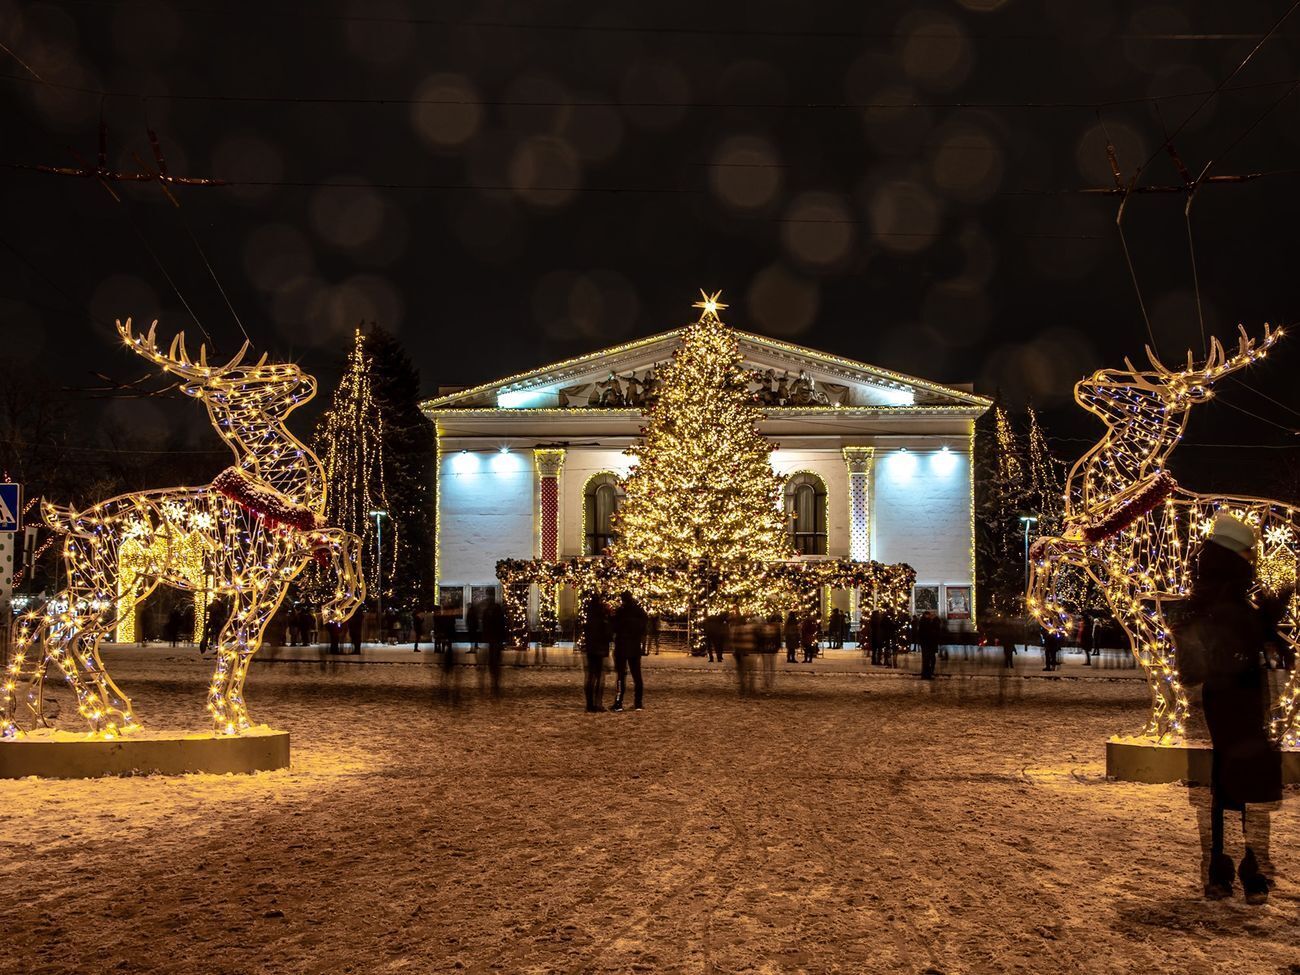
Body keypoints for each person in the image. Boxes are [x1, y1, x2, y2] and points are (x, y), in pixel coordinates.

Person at [1183, 514, 1287, 903]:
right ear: (1233, 554)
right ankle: (1236, 867)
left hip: (1237, 694)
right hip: (1232, 694)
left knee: (1235, 777)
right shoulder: (1222, 597)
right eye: (1247, 553)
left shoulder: (1223, 594)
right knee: (1235, 777)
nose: (1251, 559)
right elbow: (1232, 639)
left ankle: (1228, 866)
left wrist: (1269, 619)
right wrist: (1266, 618)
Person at [611, 591, 648, 711]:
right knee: (637, 676)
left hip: (622, 647)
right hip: (634, 647)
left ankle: (618, 702)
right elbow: (644, 626)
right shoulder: (639, 611)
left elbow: (614, 627)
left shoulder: (621, 612)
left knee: (621, 676)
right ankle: (638, 702)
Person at [582, 594, 611, 712]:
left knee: (590, 676)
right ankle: (597, 703)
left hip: (591, 648)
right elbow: (608, 634)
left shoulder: (589, 618)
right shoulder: (602, 618)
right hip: (600, 649)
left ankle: (589, 704)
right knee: (599, 677)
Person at [480, 597, 507, 699]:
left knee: (492, 660)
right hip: (497, 639)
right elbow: (502, 627)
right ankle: (495, 680)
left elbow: (486, 625)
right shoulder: (499, 615)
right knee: (496, 660)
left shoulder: (488, 613)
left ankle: (493, 678)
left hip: (492, 639)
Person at [919, 610, 941, 680]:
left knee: (928, 660)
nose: (930, 616)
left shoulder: (925, 622)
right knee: (928, 660)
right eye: (929, 615)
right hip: (928, 644)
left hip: (927, 644)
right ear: (926, 615)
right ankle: (926, 675)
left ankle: (926, 674)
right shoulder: (926, 622)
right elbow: (929, 633)